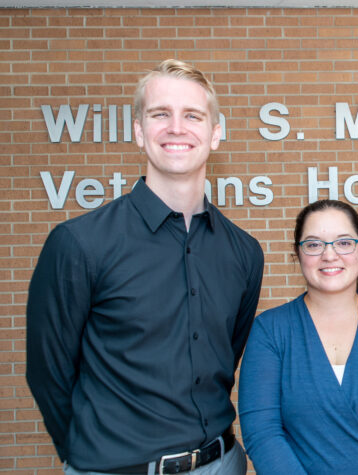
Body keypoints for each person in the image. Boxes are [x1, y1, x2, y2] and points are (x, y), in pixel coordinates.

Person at [26, 59, 264, 475]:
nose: (177, 127)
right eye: (160, 114)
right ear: (139, 131)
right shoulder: (80, 243)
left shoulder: (243, 252)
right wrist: (93, 458)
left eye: (193, 115)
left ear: (216, 133)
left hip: (222, 463)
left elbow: (225, 361)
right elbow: (49, 374)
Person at [238, 199, 358, 474]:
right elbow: (262, 432)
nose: (329, 255)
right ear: (297, 254)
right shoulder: (270, 330)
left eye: (344, 242)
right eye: (314, 244)